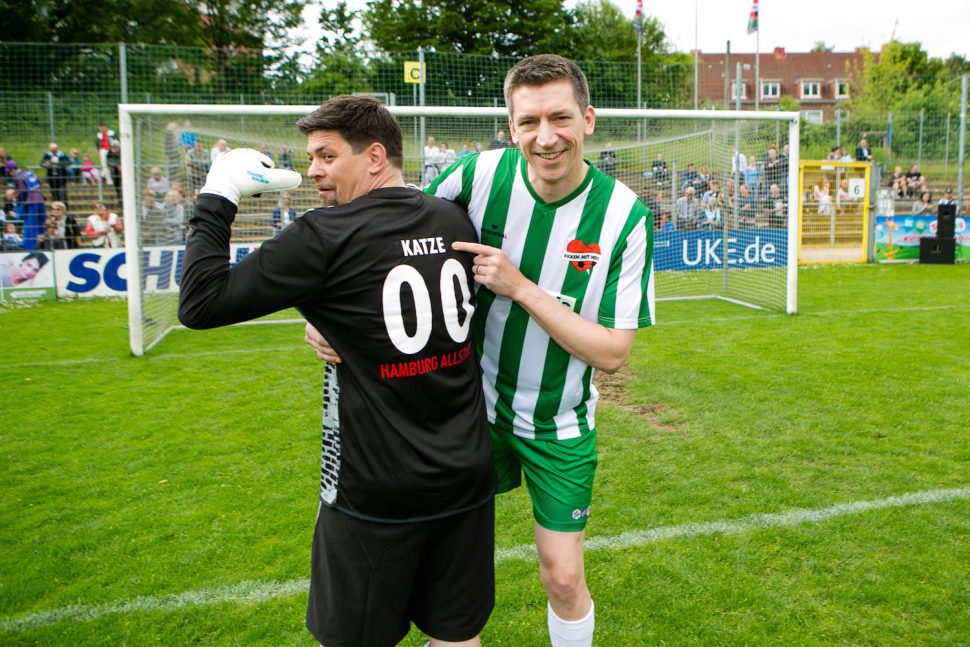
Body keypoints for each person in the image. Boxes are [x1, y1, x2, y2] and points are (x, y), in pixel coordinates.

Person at [308, 54, 654, 647]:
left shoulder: (625, 218)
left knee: (564, 576)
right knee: (432, 570)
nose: (545, 138)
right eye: (528, 122)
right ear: (511, 125)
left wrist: (520, 287)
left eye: (560, 119)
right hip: (462, 416)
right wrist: (332, 320)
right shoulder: (476, 178)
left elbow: (613, 354)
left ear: (589, 120)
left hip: (557, 421)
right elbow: (392, 243)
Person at [178, 95, 494, 647]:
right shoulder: (450, 218)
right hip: (466, 475)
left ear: (374, 156)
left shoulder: (323, 235)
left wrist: (217, 195)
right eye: (311, 157)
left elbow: (200, 304)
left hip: (376, 493)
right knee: (457, 636)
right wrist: (339, 325)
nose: (313, 171)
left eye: (326, 156)